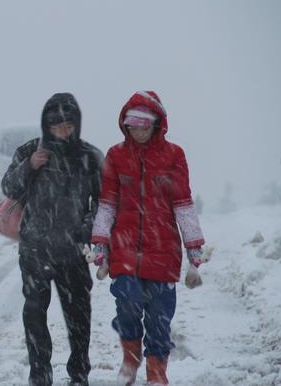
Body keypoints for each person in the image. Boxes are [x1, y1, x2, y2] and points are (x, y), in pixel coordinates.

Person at [87, 91, 207, 386]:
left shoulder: (174, 155)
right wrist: (100, 240)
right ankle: (130, 358)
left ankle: (157, 372)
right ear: (125, 126)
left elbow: (183, 204)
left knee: (159, 317)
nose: (138, 131)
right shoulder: (116, 156)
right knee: (127, 301)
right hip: (125, 248)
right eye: (133, 126)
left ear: (156, 124)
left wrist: (194, 246)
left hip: (163, 250)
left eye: (144, 125)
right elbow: (107, 203)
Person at [1, 92, 103, 386]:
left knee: (79, 317)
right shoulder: (29, 152)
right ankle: (40, 375)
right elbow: (9, 187)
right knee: (34, 315)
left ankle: (79, 374)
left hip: (73, 251)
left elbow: (104, 202)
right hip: (35, 250)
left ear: (77, 123)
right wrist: (29, 166)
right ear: (45, 124)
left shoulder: (89, 156)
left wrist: (86, 229)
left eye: (68, 124)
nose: (62, 129)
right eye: (55, 124)